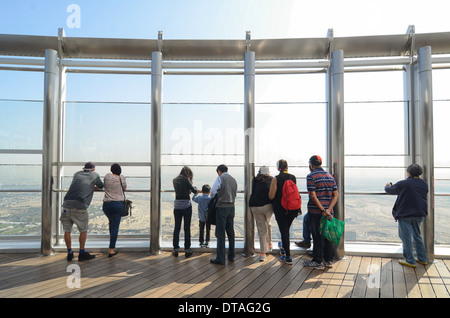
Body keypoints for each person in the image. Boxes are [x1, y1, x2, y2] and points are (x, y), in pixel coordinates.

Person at [384, 163, 428, 268]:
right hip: (420, 213)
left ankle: (410, 260)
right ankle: (423, 259)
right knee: (417, 236)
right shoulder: (424, 184)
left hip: (406, 214)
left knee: (406, 237)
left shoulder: (404, 183)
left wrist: (387, 185)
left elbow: (390, 190)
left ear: (408, 173)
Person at [61, 161, 104, 261]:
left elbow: (79, 184)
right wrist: (92, 187)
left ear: (84, 168)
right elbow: (101, 186)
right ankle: (81, 253)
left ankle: (70, 252)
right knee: (83, 230)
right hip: (80, 205)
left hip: (66, 204)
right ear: (93, 169)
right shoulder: (95, 175)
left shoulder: (76, 174)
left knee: (67, 230)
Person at [303, 155, 339, 270]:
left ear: (311, 165)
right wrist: (328, 209)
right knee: (328, 236)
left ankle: (317, 261)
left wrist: (322, 210)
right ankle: (328, 260)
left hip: (315, 212)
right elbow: (335, 195)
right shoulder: (330, 176)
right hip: (329, 213)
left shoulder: (311, 176)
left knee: (317, 236)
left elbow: (313, 196)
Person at [268, 159, 299, 265]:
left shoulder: (276, 179)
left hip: (280, 209)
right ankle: (284, 248)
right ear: (287, 167)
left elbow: (271, 196)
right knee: (286, 229)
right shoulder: (293, 177)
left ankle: (288, 256)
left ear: (278, 168)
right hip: (293, 209)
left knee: (284, 231)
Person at [210, 164, 238, 265]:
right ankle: (231, 255)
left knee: (221, 233)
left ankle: (220, 258)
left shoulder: (220, 178)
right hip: (231, 207)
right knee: (231, 233)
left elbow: (212, 192)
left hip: (222, 208)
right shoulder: (233, 179)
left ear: (219, 171)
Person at [249, 166, 274, 261]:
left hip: (255, 206)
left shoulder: (255, 180)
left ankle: (263, 253)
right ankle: (269, 244)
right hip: (267, 205)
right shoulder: (271, 179)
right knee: (268, 224)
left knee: (261, 229)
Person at [172, 166, 198, 258]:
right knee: (187, 228)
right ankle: (187, 250)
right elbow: (194, 191)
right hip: (186, 206)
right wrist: (191, 186)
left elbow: (180, 190)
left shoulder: (174, 180)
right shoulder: (186, 180)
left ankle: (176, 249)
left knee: (177, 228)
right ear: (187, 173)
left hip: (177, 206)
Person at [102, 163, 127, 258]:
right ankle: (111, 250)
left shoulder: (107, 176)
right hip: (117, 204)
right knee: (115, 227)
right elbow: (125, 188)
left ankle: (111, 244)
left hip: (107, 204)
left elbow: (104, 185)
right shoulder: (121, 178)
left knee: (111, 224)